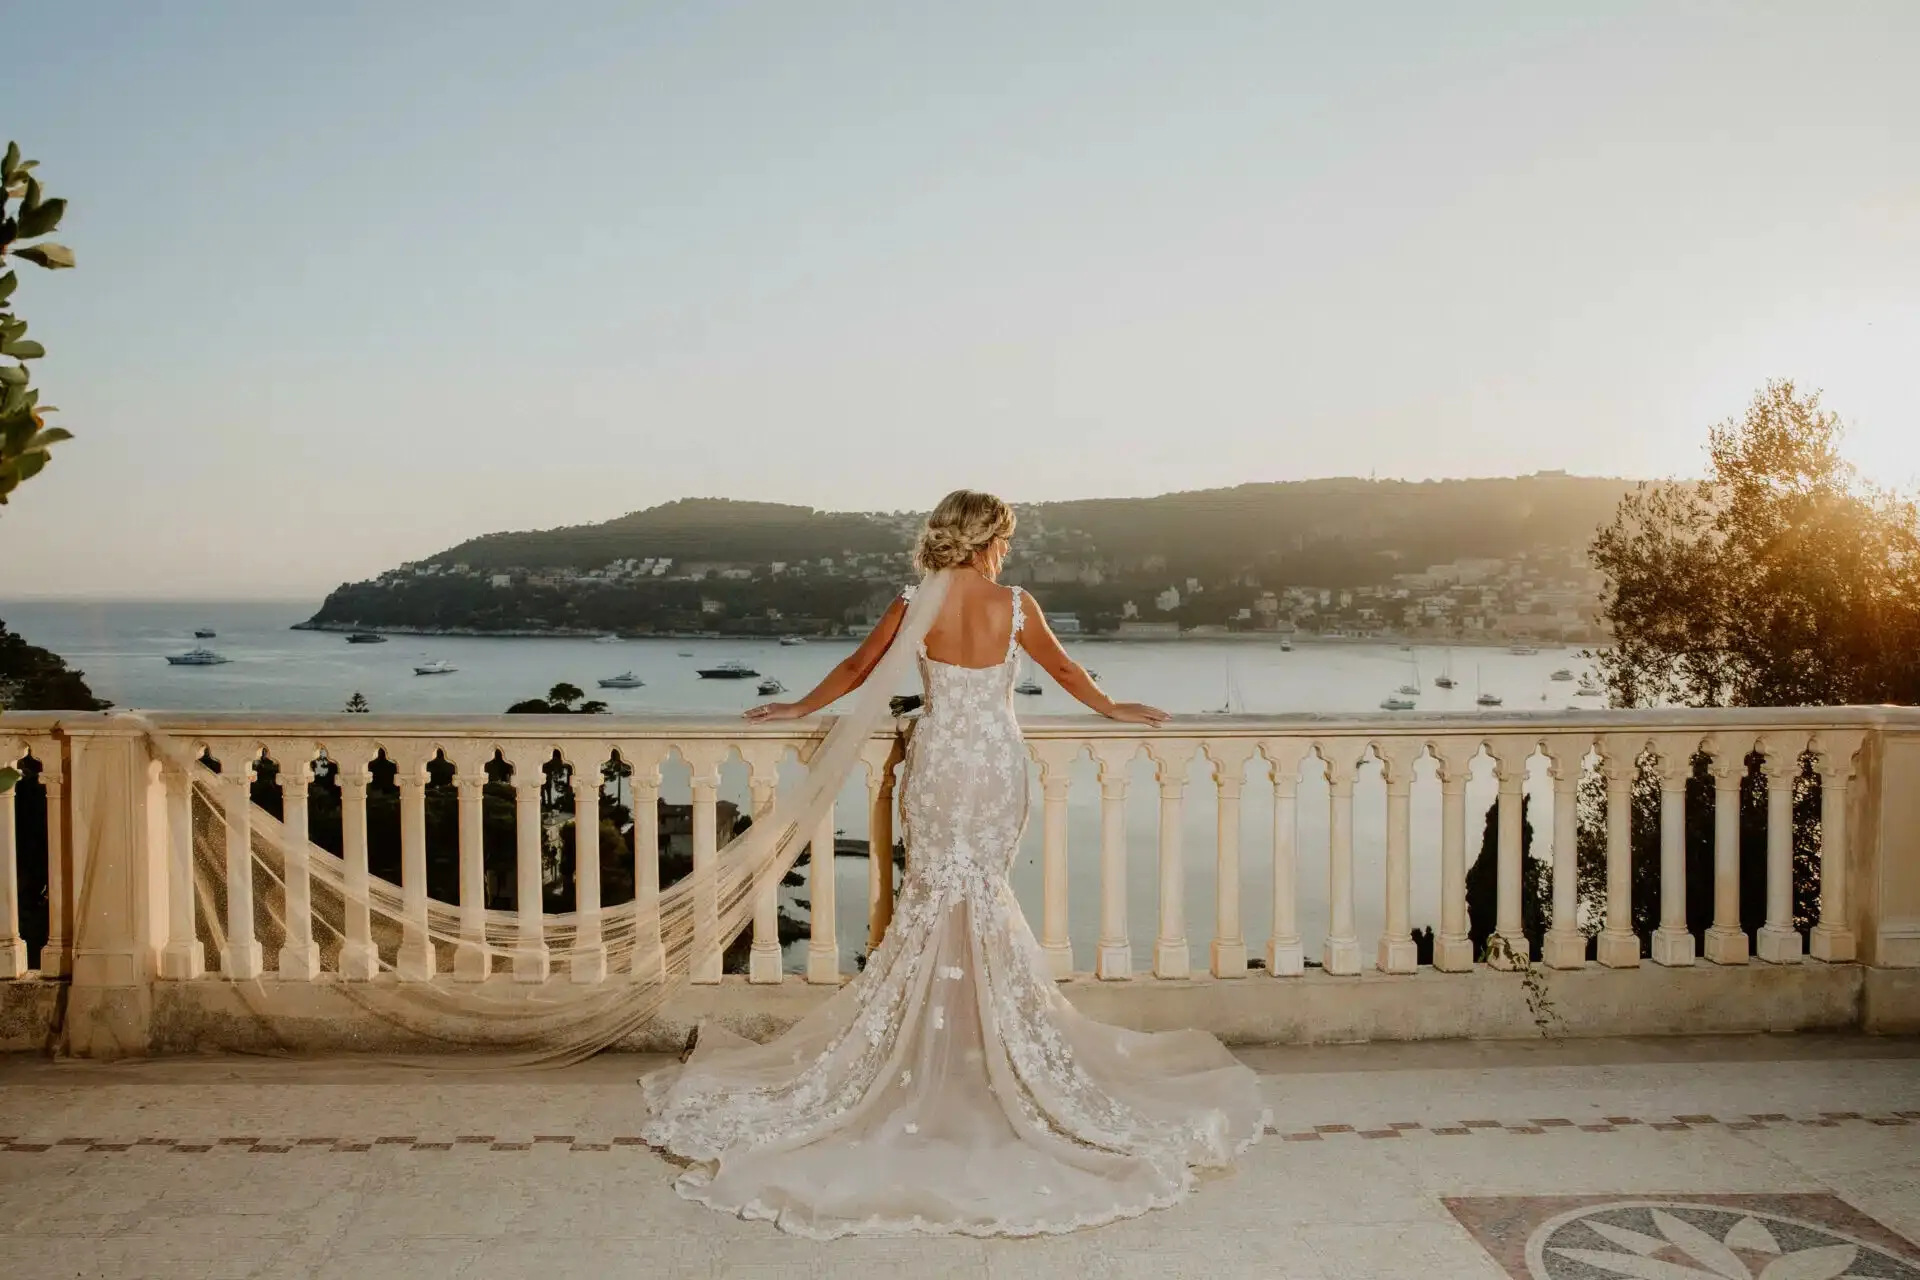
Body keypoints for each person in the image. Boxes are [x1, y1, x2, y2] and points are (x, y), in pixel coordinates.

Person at [639, 490, 1268, 1239]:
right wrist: (1116, 708)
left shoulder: (918, 603)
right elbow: (1065, 674)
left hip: (938, 766)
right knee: (982, 896)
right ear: (987, 540)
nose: (1006, 550)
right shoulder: (1016, 604)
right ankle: (981, 1051)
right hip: (996, 767)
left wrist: (796, 707)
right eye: (1003, 538)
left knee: (932, 899)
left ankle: (939, 1054)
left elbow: (856, 668)